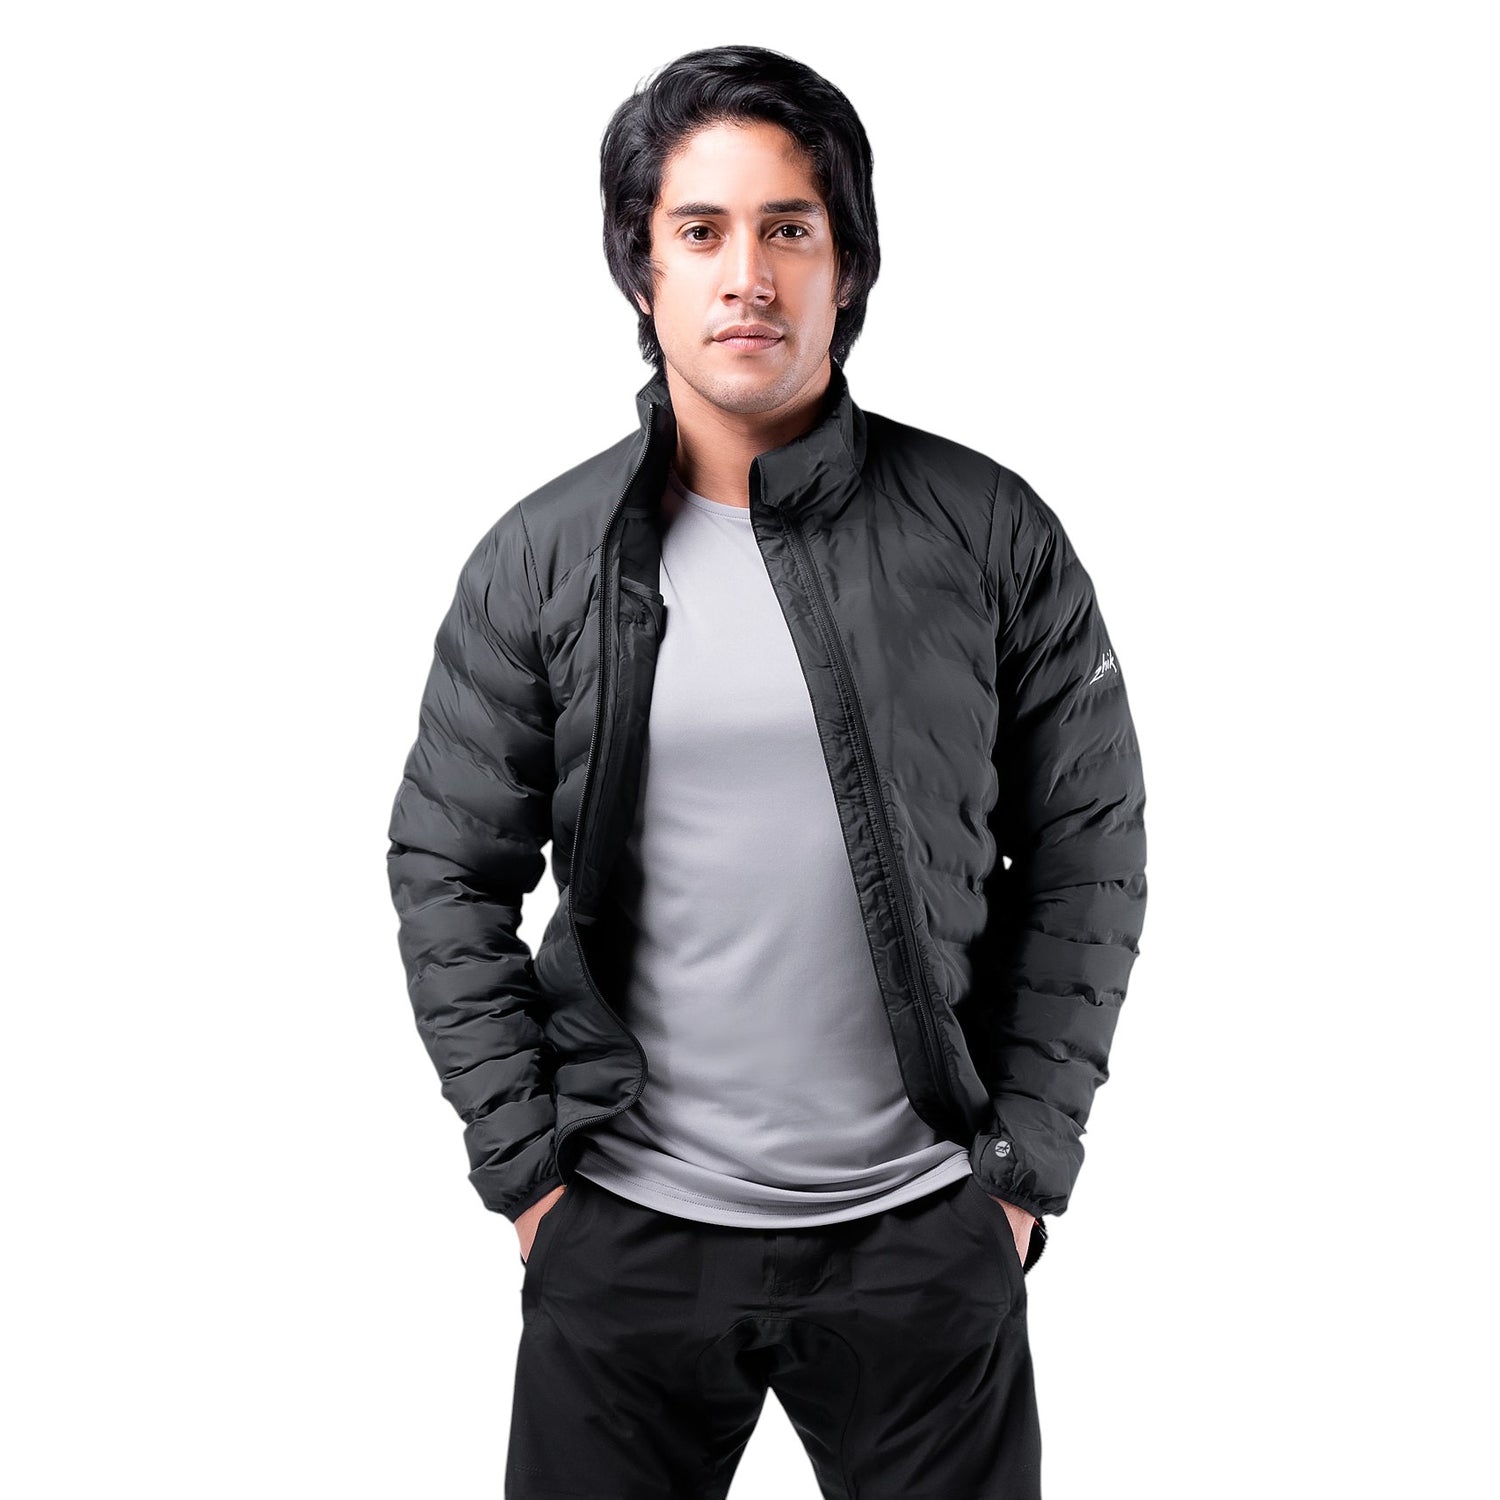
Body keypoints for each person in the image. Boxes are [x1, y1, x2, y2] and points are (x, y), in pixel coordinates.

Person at [385, 43, 1148, 1500]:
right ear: (642, 269)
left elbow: (1088, 851)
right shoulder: (542, 559)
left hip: (923, 1230)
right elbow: (446, 865)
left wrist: (1019, 1169)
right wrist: (530, 1172)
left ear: (847, 265)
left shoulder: (988, 532)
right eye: (702, 231)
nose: (748, 277)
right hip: (626, 1228)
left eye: (788, 227)